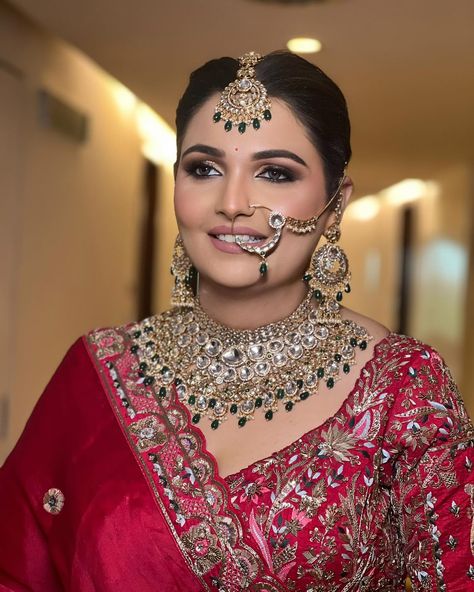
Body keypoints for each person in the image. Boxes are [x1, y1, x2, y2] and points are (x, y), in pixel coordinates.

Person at [0, 50, 473, 592]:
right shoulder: (99, 368)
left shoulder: (401, 388)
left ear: (334, 204)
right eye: (204, 168)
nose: (232, 202)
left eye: (274, 173)